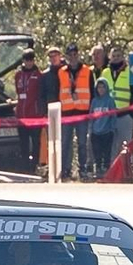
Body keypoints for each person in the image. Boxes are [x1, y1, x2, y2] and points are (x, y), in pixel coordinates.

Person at [57, 44, 93, 179]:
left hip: (82, 112)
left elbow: (92, 91)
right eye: (70, 55)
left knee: (82, 143)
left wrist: (91, 111)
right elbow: (58, 92)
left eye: (75, 54)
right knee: (65, 143)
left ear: (78, 55)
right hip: (66, 113)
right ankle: (65, 170)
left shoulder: (87, 71)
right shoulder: (61, 72)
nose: (73, 57)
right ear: (66, 57)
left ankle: (82, 169)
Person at [13, 49, 43, 170]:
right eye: (27, 60)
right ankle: (25, 166)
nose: (29, 62)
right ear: (23, 61)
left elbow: (40, 95)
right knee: (23, 143)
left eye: (31, 60)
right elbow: (18, 91)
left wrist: (40, 111)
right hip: (21, 115)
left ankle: (34, 166)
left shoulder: (38, 75)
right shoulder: (18, 75)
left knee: (36, 142)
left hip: (34, 115)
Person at [104, 46, 133, 156]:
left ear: (123, 57)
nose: (116, 58)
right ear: (109, 57)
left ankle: (126, 167)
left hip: (125, 115)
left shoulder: (130, 72)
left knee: (125, 147)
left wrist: (132, 113)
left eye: (118, 56)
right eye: (113, 56)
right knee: (110, 147)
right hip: (109, 116)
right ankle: (112, 167)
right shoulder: (105, 72)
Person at [89, 78, 116, 177]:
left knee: (107, 153)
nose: (101, 89)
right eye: (99, 87)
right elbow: (91, 116)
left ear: (106, 88)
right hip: (95, 132)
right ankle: (98, 170)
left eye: (103, 87)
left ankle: (107, 170)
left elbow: (113, 116)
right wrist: (91, 129)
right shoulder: (94, 101)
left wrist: (112, 129)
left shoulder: (110, 101)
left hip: (107, 131)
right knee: (97, 153)